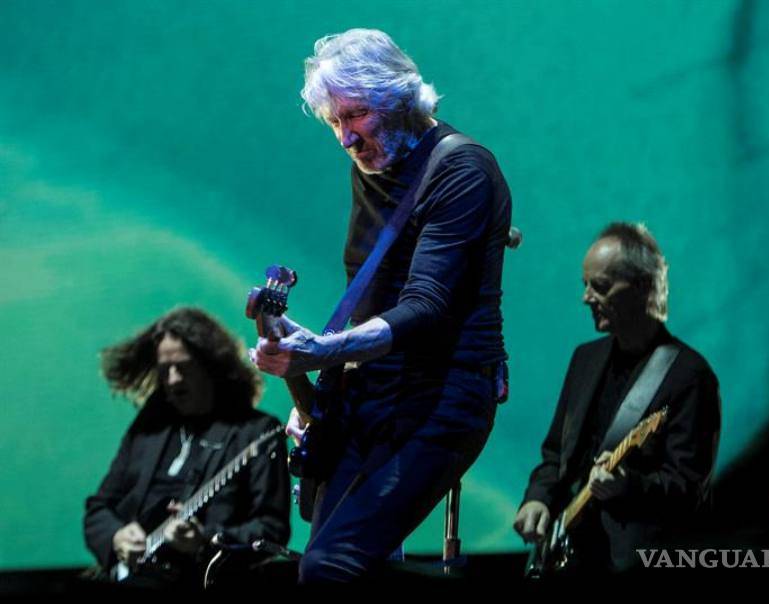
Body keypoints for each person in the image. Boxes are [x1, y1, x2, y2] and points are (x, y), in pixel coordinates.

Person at [249, 28, 512, 582]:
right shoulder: (369, 166)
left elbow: (426, 306)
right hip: (371, 393)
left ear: (400, 98)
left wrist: (322, 353)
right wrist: (312, 362)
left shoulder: (463, 169)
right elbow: (370, 297)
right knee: (325, 567)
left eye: (357, 115)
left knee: (332, 567)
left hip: (442, 395)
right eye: (334, 122)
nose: (346, 137)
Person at [513, 223, 720, 573]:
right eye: (585, 285)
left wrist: (628, 486)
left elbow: (689, 492)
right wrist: (538, 499)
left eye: (601, 286)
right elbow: (555, 455)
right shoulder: (585, 359)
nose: (586, 297)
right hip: (570, 559)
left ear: (642, 286)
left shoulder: (689, 375)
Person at [84, 307, 291, 587]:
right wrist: (116, 537)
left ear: (211, 365)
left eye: (183, 367)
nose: (173, 380)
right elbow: (99, 509)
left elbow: (272, 529)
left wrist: (205, 540)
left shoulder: (257, 433)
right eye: (165, 370)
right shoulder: (150, 427)